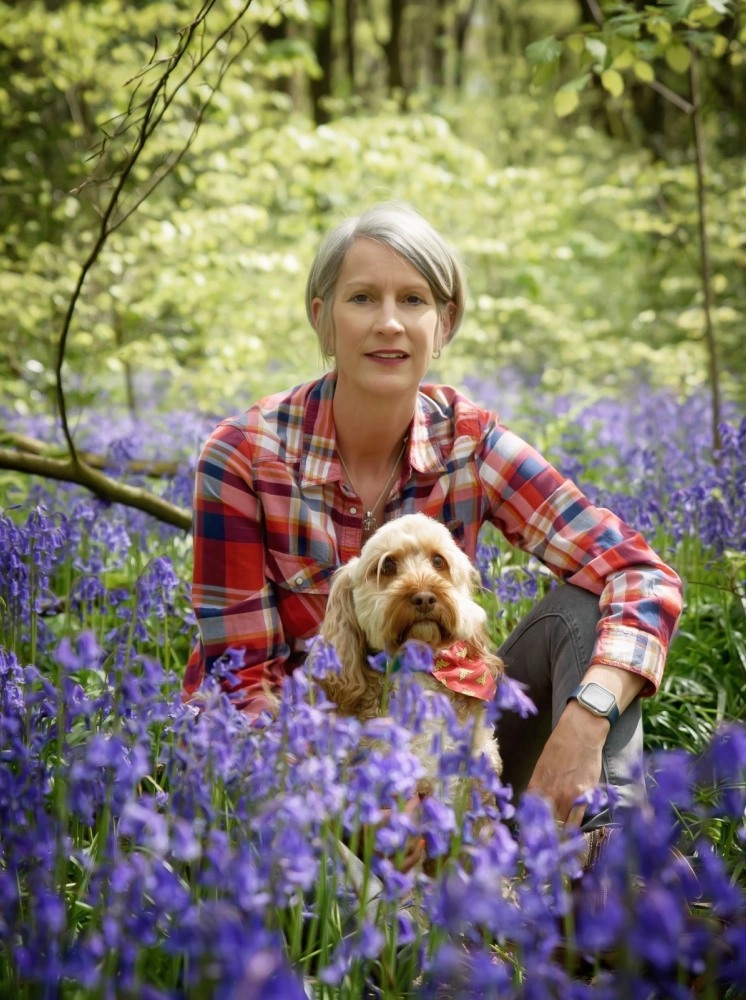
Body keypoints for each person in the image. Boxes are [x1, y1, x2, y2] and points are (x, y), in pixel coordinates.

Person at [182, 202, 683, 838]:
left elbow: (640, 574)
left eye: (414, 300)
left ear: (443, 324)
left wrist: (588, 717)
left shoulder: (470, 443)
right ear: (323, 320)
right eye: (362, 297)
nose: (389, 323)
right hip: (308, 760)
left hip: (452, 740)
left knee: (586, 609)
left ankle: (614, 865)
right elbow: (241, 685)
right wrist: (359, 797)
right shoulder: (245, 456)